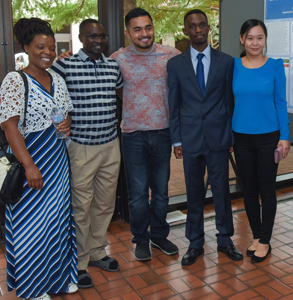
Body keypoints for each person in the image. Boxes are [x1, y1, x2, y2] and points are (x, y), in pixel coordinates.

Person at [0, 18, 77, 300]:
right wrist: (31, 165)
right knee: (30, 227)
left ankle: (57, 280)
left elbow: (63, 113)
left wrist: (66, 122)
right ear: (27, 48)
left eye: (52, 48)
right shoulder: (15, 80)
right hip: (30, 161)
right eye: (41, 47)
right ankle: (32, 289)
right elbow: (9, 125)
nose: (48, 52)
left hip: (56, 159)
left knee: (56, 223)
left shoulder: (56, 78)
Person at [50, 19, 123, 288]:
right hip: (81, 147)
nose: (98, 41)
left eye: (102, 36)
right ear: (81, 38)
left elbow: (121, 94)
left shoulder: (113, 66)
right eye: (92, 36)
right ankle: (79, 262)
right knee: (81, 207)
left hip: (110, 145)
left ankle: (97, 252)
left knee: (104, 204)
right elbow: (39, 82)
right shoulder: (64, 65)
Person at [167, 9, 243, 266]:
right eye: (193, 26)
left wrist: (231, 135)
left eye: (202, 25)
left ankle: (225, 240)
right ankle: (195, 242)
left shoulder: (226, 62)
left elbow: (229, 101)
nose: (198, 30)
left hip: (219, 137)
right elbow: (173, 104)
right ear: (185, 30)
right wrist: (176, 140)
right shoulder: (175, 65)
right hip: (189, 139)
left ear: (209, 28)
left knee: (221, 190)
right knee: (194, 191)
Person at [110, 7, 180, 261]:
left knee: (161, 192)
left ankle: (159, 235)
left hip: (163, 133)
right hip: (133, 135)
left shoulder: (170, 55)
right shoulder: (118, 58)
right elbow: (115, 88)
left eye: (148, 28)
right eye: (137, 29)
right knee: (138, 194)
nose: (144, 33)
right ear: (128, 32)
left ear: (153, 28)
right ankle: (140, 239)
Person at [232, 19, 290, 263]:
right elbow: (227, 103)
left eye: (260, 37)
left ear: (265, 40)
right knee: (248, 190)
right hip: (241, 137)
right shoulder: (233, 66)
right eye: (250, 37)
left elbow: (280, 102)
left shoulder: (275, 66)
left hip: (269, 138)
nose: (255, 43)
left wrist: (285, 136)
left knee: (267, 190)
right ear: (242, 40)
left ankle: (265, 240)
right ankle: (256, 235)